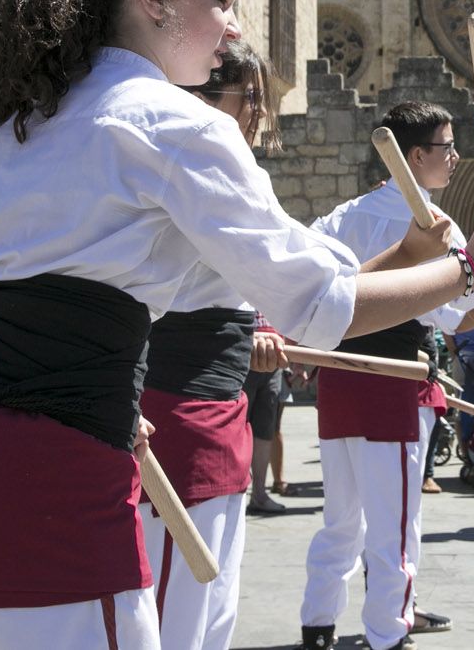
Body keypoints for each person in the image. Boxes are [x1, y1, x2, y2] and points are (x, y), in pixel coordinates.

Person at [0, 0, 474, 649]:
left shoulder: (9, 135)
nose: (235, 28)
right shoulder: (177, 126)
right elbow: (322, 303)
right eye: (219, 1)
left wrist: (44, 372)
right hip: (45, 496)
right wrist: (471, 264)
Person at [302, 100, 474, 650]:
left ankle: (318, 625)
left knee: (341, 517)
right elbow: (467, 314)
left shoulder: (342, 216)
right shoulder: (437, 230)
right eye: (446, 147)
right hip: (392, 380)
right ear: (416, 156)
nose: (456, 156)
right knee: (395, 524)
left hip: (339, 380)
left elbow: (317, 295)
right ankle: (389, 633)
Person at [134, 38, 292, 650]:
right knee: (180, 619)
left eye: (260, 96)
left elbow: (221, 287)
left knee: (212, 615)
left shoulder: (225, 174)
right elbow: (309, 282)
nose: (258, 110)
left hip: (219, 416)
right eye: (247, 95)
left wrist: (251, 330)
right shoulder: (202, 169)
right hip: (178, 418)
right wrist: (457, 268)